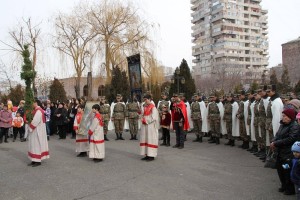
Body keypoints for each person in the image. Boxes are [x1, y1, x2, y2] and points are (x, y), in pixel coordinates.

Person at [270, 108, 299, 195]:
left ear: (290, 117)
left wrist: (276, 143)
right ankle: (283, 185)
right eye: (283, 116)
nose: (283, 117)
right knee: (280, 170)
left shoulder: (294, 126)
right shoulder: (283, 124)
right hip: (280, 151)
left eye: (285, 116)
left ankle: (289, 189)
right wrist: (273, 141)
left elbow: (291, 139)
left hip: (288, 152)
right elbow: (277, 134)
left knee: (286, 171)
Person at [28, 99, 49, 167]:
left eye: (33, 103)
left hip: (37, 130)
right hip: (36, 130)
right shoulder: (37, 110)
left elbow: (36, 121)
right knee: (33, 145)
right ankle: (34, 160)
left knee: (36, 145)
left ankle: (37, 160)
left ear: (36, 103)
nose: (32, 104)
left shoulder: (39, 111)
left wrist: (30, 127)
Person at [140, 94, 159, 161]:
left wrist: (146, 120)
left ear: (149, 99)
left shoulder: (153, 107)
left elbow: (154, 117)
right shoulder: (144, 106)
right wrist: (141, 118)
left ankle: (151, 156)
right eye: (144, 100)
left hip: (150, 126)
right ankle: (146, 154)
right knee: (145, 139)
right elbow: (142, 114)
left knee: (151, 139)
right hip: (145, 126)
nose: (145, 101)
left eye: (146, 100)